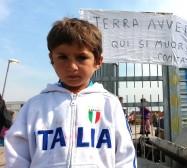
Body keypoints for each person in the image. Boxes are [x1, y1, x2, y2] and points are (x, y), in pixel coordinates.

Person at [4, 18, 136, 168]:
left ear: (98, 61)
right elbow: (17, 157)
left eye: (82, 57)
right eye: (62, 57)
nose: (72, 66)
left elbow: (125, 157)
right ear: (51, 59)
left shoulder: (110, 104)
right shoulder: (34, 107)